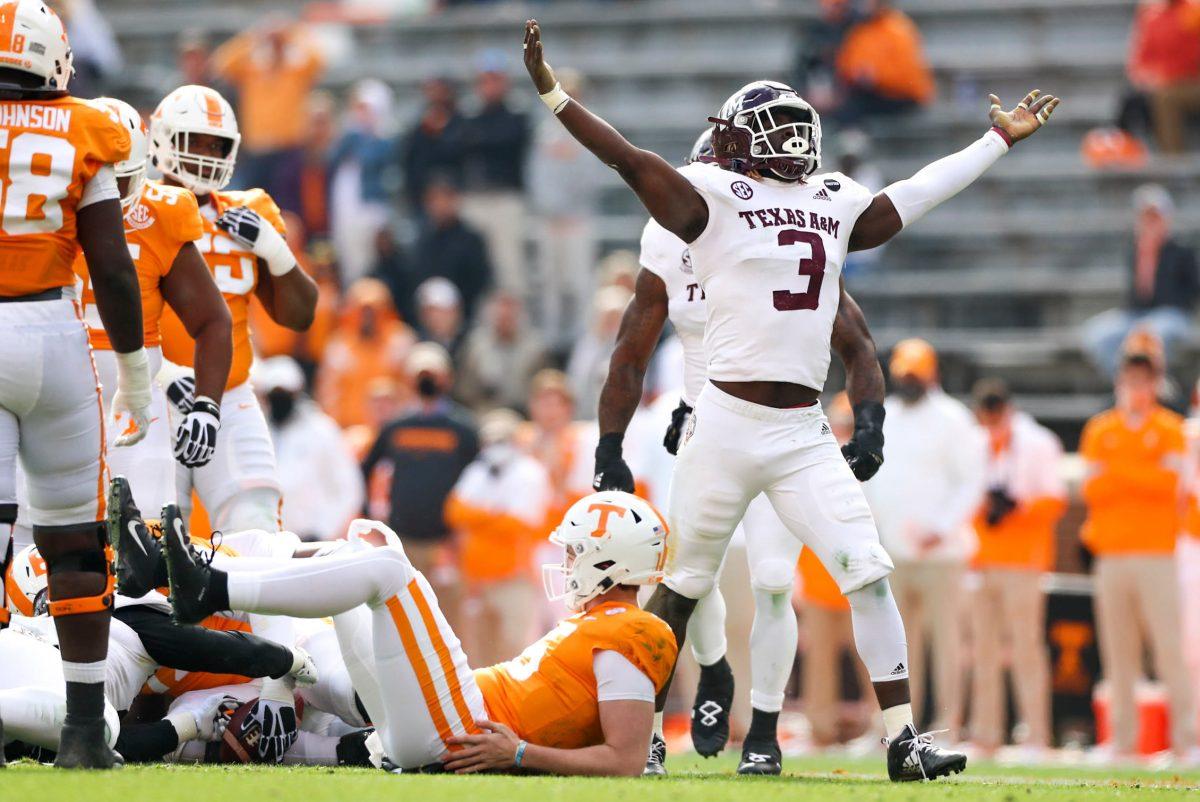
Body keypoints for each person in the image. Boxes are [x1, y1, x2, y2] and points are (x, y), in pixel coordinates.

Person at [523, 17, 1058, 780]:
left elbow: (910, 197)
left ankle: (902, 741)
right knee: (682, 589)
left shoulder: (832, 199)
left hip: (802, 429)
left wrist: (994, 142)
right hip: (725, 423)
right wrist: (553, 94)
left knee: (865, 570)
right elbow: (630, 161)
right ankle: (632, 734)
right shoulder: (716, 194)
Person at [595, 128, 887, 774]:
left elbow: (850, 336)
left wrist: (868, 421)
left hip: (780, 425)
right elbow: (631, 348)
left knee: (776, 583)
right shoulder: (671, 236)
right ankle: (711, 672)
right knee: (684, 578)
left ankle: (764, 727)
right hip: (707, 425)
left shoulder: (775, 232)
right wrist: (611, 440)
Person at [159, 491, 676, 776]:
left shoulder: (635, 630)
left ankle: (211, 587)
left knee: (389, 568)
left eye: (574, 553)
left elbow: (625, 759)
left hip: (464, 723)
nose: (565, 563)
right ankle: (187, 742)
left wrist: (519, 754)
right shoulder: (604, 625)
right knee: (356, 549)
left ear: (610, 562)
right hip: (450, 722)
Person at [0, 0, 152, 768]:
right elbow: (114, 270)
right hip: (54, 331)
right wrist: (135, 370)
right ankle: (85, 733)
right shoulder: (88, 126)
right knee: (74, 543)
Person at [152, 84, 319, 534]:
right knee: (154, 532)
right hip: (149, 393)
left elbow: (299, 315)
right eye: (195, 142)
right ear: (163, 140)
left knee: (256, 524)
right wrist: (159, 374)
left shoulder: (249, 210)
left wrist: (274, 251)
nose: (207, 154)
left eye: (217, 144)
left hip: (230, 394)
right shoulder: (138, 210)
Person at [73, 98, 233, 518]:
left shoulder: (160, 214)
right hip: (58, 379)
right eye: (93, 180)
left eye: (116, 183)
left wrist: (207, 406)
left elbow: (213, 319)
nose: (102, 197)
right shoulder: (37, 207)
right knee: (34, 535)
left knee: (144, 535)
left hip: (135, 392)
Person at [1080, 351, 1197, 764]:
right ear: (1120, 382)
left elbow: (1169, 485)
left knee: (1168, 649)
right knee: (1118, 653)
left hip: (1156, 553)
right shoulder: (1100, 429)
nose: (1136, 389)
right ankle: (1122, 741)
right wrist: (1136, 472)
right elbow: (1091, 490)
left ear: (1155, 384)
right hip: (1111, 553)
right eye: (1130, 379)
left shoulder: (1170, 428)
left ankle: (1187, 741)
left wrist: (1118, 472)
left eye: (1143, 380)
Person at [864, 339, 985, 740]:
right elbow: (875, 481)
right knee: (891, 647)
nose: (907, 380)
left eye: (915, 373)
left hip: (942, 555)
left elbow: (970, 482)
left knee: (946, 643)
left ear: (932, 373)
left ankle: (947, 727)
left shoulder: (954, 419)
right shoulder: (887, 417)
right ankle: (893, 729)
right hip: (893, 552)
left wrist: (941, 528)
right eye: (902, 373)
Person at [968, 379, 1065, 758]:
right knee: (984, 651)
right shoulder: (975, 443)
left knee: (1026, 648)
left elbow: (1054, 499)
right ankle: (985, 734)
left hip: (1023, 560)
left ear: (1009, 410)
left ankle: (1036, 734)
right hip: (982, 558)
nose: (993, 423)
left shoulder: (1038, 442)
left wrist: (1019, 508)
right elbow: (963, 497)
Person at [361, 343, 478, 607]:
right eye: (421, 374)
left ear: (447, 378)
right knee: (405, 606)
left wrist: (464, 527)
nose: (427, 380)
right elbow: (366, 468)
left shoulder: (463, 429)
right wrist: (369, 512)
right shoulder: (396, 427)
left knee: (447, 610)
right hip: (404, 536)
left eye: (433, 374)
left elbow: (477, 478)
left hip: (446, 540)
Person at [445, 408, 550, 666]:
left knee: (516, 651)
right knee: (479, 652)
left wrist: (478, 517)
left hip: (514, 577)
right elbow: (454, 511)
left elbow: (519, 522)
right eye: (490, 441)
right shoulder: (477, 472)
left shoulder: (530, 472)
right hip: (477, 578)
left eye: (501, 440)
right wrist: (494, 514)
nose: (495, 447)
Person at [1082, 184, 1198, 378]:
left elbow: (1190, 293)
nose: (1149, 224)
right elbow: (1136, 297)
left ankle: (1156, 385)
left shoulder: (1182, 252)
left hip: (1173, 315)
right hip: (1138, 315)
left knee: (1153, 334)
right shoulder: (1135, 252)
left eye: (1154, 218)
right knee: (1098, 334)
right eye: (1145, 218)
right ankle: (1125, 383)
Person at [211, 20, 325, 215]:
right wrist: (255, 36)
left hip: (288, 151)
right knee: (252, 209)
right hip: (257, 152)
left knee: (287, 210)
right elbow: (220, 63)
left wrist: (291, 34)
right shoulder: (252, 70)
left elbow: (318, 59)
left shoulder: (295, 71)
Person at [528, 68, 603, 344]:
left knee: (580, 280)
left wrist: (569, 211)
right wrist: (549, 211)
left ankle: (582, 336)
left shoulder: (591, 129)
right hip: (550, 220)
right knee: (549, 282)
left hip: (577, 219)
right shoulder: (544, 132)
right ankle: (551, 335)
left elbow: (591, 177)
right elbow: (536, 176)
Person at [256, 357, 364, 542]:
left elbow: (348, 488)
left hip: (311, 539)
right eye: (274, 395)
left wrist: (323, 531)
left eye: (285, 394)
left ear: (298, 393)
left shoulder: (321, 430)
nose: (279, 401)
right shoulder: (258, 430)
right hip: (270, 541)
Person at [458, 54, 530, 297]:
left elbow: (506, 141)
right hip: (474, 197)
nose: (489, 85)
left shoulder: (516, 114)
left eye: (494, 79)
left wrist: (480, 140)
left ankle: (515, 327)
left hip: (505, 198)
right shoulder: (469, 115)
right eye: (485, 80)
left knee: (509, 268)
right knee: (475, 267)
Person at [315, 278, 415, 429]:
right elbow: (328, 394)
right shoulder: (340, 345)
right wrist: (335, 430)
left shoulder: (399, 341)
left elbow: (409, 391)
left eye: (374, 310)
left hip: (390, 432)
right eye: (363, 310)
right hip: (349, 431)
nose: (368, 318)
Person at [328, 80, 400, 285]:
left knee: (370, 261)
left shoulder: (386, 140)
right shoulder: (349, 138)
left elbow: (372, 161)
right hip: (347, 210)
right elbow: (331, 158)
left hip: (371, 211)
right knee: (348, 260)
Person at [834, 0, 935, 124]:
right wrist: (856, 75)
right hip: (869, 92)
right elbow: (846, 64)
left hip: (901, 96)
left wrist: (876, 77)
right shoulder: (861, 29)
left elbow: (908, 76)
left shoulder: (897, 28)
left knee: (853, 108)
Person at [410, 178, 493, 323]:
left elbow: (480, 281)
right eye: (434, 199)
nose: (440, 205)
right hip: (429, 319)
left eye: (445, 198)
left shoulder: (471, 240)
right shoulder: (423, 242)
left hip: (467, 318)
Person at [455, 290, 549, 413]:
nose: (505, 321)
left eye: (509, 317)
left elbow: (543, 387)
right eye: (501, 317)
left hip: (524, 413)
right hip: (484, 412)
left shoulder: (535, 349)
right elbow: (464, 389)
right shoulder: (476, 346)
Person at [1126, 0, 1200, 154]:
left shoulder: (1194, 11)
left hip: (1192, 81)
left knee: (1166, 97)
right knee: (1159, 97)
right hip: (1167, 85)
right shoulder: (1152, 17)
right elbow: (1140, 62)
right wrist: (1149, 79)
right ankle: (1172, 158)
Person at [401, 77, 464, 218]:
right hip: (422, 198)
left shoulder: (460, 124)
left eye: (440, 91)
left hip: (452, 195)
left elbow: (457, 155)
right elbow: (410, 159)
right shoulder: (419, 127)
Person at [566, 285, 632, 419]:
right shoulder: (585, 345)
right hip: (582, 419)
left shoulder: (633, 347)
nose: (609, 322)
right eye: (606, 316)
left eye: (615, 317)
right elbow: (573, 381)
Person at [414, 277, 468, 355]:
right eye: (430, 312)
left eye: (442, 312)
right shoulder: (417, 343)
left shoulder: (470, 343)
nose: (435, 318)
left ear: (456, 311)